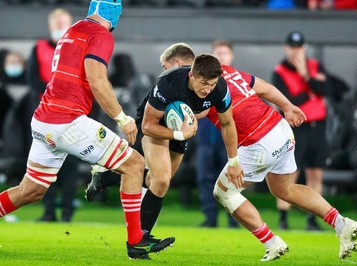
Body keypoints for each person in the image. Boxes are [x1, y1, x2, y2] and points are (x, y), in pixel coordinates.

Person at [87, 42, 357, 262]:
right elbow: (263, 87)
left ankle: (272, 242)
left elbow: (209, 114)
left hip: (257, 139)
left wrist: (228, 158)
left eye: (168, 67)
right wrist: (288, 107)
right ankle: (341, 223)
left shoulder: (204, 84)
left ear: (185, 67)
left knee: (224, 192)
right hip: (280, 129)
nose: (165, 71)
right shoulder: (225, 71)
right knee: (285, 190)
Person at [0, 0, 174, 259]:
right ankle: (136, 241)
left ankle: (105, 185)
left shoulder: (73, 29)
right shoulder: (100, 34)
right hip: (68, 121)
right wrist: (122, 118)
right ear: (114, 12)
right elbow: (96, 79)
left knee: (31, 190)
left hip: (44, 120)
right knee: (135, 164)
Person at [272, 31, 331, 231]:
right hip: (296, 127)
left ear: (304, 48)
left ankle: (313, 219)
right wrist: (310, 90)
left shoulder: (314, 66)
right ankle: (283, 218)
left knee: (316, 173)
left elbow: (327, 89)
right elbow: (287, 102)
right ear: (286, 48)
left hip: (318, 125)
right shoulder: (280, 71)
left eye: (299, 47)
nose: (296, 51)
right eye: (292, 47)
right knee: (291, 172)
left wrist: (306, 75)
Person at [26, 8, 79, 222]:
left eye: (63, 23)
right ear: (50, 26)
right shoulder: (38, 49)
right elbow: (32, 80)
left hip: (71, 114)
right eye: (57, 23)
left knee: (70, 166)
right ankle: (49, 211)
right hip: (46, 114)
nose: (60, 27)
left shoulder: (77, 49)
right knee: (44, 163)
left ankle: (67, 212)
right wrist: (54, 94)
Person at [195, 39, 239, 228]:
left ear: (232, 56)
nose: (222, 56)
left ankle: (234, 218)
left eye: (225, 53)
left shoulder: (238, 81)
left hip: (227, 140)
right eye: (217, 53)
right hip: (205, 138)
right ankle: (210, 218)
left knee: (232, 178)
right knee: (204, 178)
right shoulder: (200, 80)